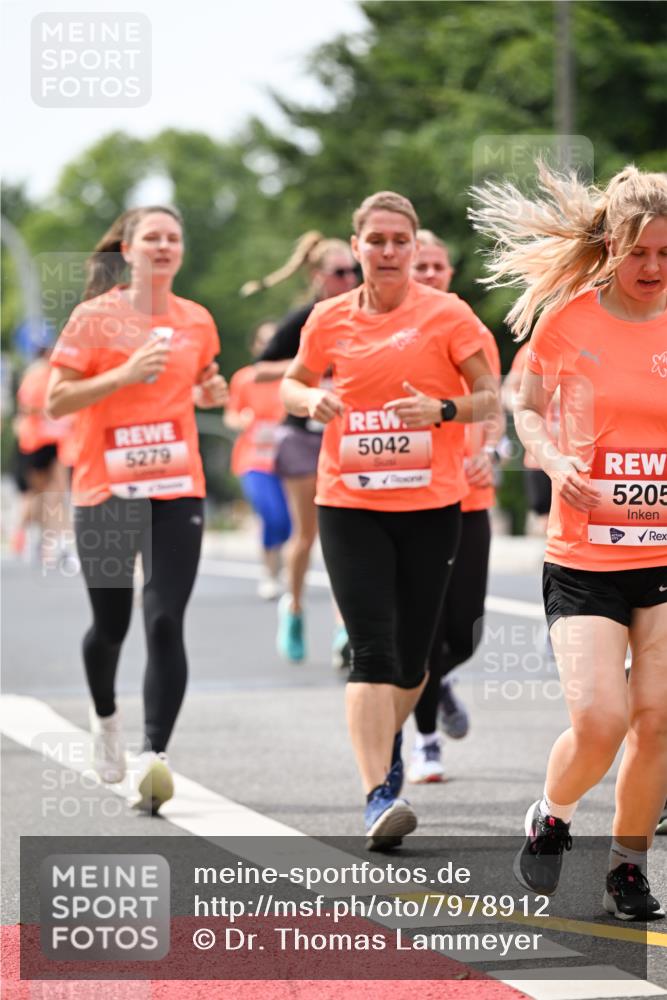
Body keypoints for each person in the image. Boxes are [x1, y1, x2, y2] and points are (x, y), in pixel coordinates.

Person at [470, 163, 667, 919]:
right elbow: (525, 405)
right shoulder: (570, 322)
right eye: (637, 251)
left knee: (657, 718)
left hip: (660, 554)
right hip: (584, 555)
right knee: (601, 720)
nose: (651, 268)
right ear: (610, 245)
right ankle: (551, 814)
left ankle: (625, 866)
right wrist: (552, 459)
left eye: (665, 254)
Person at [281, 192, 498, 847]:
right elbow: (291, 381)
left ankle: (387, 739)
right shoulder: (327, 318)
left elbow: (487, 396)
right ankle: (378, 794)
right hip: (348, 504)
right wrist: (309, 398)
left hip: (431, 506)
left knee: (411, 662)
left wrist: (440, 410)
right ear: (356, 245)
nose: (387, 252)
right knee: (371, 650)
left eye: (398, 240)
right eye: (374, 240)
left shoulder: (448, 314)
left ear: (412, 246)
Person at [46, 205, 227, 813]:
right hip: (105, 491)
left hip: (178, 486)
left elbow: (200, 378)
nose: (164, 246)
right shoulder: (95, 317)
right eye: (152, 237)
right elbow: (57, 399)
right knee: (111, 625)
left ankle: (154, 758)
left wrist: (210, 390)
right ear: (128, 250)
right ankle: (105, 718)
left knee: (164, 619)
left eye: (174, 237)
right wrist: (123, 373)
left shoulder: (197, 319)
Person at [407, 230, 503, 783]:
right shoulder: (388, 331)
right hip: (416, 498)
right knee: (424, 629)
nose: (429, 274)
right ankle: (426, 745)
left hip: (470, 496)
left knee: (465, 631)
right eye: (420, 266)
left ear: (449, 272)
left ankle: (439, 679)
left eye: (438, 266)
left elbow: (492, 405)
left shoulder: (467, 326)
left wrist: (490, 450)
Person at [242, 233, 359, 664]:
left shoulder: (366, 314)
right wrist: (310, 370)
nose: (350, 279)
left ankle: (345, 627)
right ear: (318, 276)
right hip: (303, 436)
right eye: (340, 272)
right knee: (308, 535)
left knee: (345, 536)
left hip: (352, 436)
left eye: (353, 271)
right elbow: (259, 371)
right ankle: (291, 608)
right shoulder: (306, 319)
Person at [224, 321, 291, 599]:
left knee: (288, 521)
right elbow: (230, 415)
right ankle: (269, 570)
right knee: (270, 515)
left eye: (274, 340)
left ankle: (285, 565)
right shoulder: (245, 378)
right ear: (255, 346)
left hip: (288, 458)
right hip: (254, 458)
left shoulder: (292, 376)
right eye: (263, 341)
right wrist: (241, 420)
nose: (268, 346)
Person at [12, 347, 75, 565]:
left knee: (57, 493)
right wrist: (52, 411)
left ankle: (59, 544)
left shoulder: (57, 375)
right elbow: (27, 407)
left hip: (55, 442)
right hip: (34, 443)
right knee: (35, 496)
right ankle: (27, 536)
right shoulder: (36, 375)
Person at [502, 341, 559, 535]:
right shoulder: (534, 346)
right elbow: (508, 389)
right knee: (545, 518)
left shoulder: (591, 343)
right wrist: (523, 407)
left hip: (582, 453)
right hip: (541, 454)